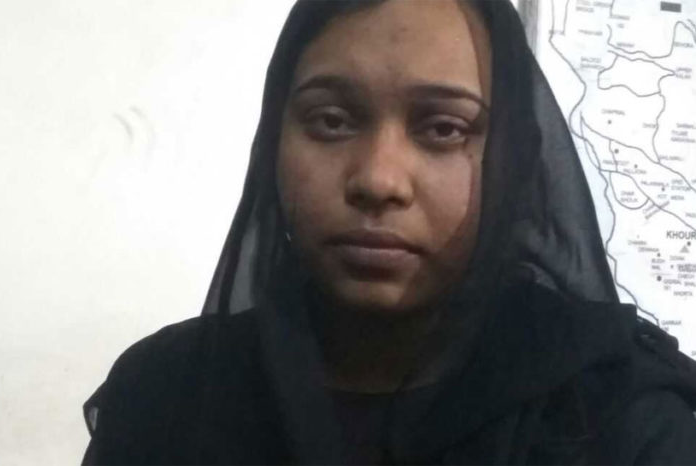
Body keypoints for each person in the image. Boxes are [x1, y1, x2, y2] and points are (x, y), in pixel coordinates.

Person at [81, 0, 696, 464]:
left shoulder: (621, 417)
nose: (378, 179)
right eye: (331, 120)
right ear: (273, 143)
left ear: (514, 161)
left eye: (444, 129)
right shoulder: (163, 396)